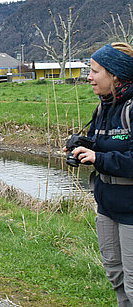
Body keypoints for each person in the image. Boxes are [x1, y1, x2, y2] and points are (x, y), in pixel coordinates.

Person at [66, 42, 133, 306]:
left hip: (131, 210)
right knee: (115, 275)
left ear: (115, 74)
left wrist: (99, 158)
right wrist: (83, 147)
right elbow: (101, 144)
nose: (89, 77)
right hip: (106, 206)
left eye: (95, 72)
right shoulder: (103, 106)